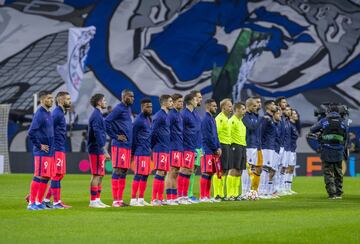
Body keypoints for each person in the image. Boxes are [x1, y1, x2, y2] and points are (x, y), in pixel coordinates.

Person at [310, 104, 348, 199]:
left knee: (328, 172)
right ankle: (339, 193)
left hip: (327, 149)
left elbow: (312, 129)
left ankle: (332, 194)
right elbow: (345, 137)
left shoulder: (324, 121)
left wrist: (321, 132)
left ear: (328, 111)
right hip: (339, 150)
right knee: (338, 172)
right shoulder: (343, 122)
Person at [105, 89, 134, 207]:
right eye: (131, 96)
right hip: (119, 146)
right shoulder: (119, 108)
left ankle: (120, 200)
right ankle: (115, 201)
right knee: (117, 170)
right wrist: (115, 136)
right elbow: (106, 121)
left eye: (133, 96)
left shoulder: (128, 109)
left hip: (127, 146)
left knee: (124, 171)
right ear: (124, 96)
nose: (133, 98)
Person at [43, 91, 72, 209]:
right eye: (68, 99)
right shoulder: (57, 114)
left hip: (60, 147)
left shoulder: (61, 113)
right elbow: (48, 128)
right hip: (56, 148)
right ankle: (56, 202)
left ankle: (45, 199)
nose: (70, 101)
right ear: (60, 100)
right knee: (57, 174)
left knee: (60, 174)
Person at [27, 91, 55, 210]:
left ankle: (39, 202)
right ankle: (31, 203)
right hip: (41, 152)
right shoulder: (39, 113)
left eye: (52, 98)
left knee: (46, 176)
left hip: (49, 151)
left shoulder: (48, 113)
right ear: (42, 100)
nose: (52, 100)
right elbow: (31, 132)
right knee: (38, 175)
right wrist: (39, 145)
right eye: (49, 98)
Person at [87, 93, 111, 208]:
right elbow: (97, 133)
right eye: (104, 100)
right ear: (99, 102)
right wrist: (104, 149)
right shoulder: (96, 115)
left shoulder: (99, 115)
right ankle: (93, 201)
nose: (105, 102)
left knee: (100, 175)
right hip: (95, 148)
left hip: (99, 148)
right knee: (96, 174)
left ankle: (97, 199)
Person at [129, 98, 153, 207]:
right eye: (148, 106)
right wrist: (132, 153)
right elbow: (133, 137)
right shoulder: (138, 120)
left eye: (151, 106)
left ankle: (141, 199)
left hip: (146, 151)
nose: (150, 108)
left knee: (145, 175)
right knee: (138, 174)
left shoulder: (148, 119)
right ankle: (133, 199)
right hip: (140, 152)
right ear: (142, 107)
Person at [151, 95, 173, 206]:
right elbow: (153, 132)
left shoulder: (166, 115)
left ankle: (160, 198)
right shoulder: (159, 116)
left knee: (163, 172)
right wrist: (154, 146)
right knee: (160, 172)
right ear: (164, 103)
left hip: (165, 147)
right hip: (159, 148)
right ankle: (154, 199)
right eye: (170, 101)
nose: (172, 103)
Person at [200, 99, 221, 202]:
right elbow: (207, 137)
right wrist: (215, 147)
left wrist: (219, 147)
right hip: (207, 149)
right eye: (214, 106)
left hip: (213, 150)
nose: (216, 108)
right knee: (206, 173)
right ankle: (203, 196)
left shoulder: (212, 119)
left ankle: (207, 196)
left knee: (211, 173)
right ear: (208, 107)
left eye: (216, 106)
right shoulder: (205, 120)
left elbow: (215, 135)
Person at [178, 93, 198, 204]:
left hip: (192, 146)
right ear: (190, 101)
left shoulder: (194, 114)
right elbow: (180, 131)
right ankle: (180, 196)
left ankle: (185, 196)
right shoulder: (184, 114)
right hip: (185, 146)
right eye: (195, 99)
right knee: (184, 169)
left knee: (189, 170)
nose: (197, 101)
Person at [165, 93, 184, 205]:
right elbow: (167, 130)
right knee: (171, 171)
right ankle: (169, 198)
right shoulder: (171, 115)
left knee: (176, 172)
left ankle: (174, 196)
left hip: (179, 146)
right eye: (179, 102)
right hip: (172, 147)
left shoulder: (178, 114)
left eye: (182, 102)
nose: (181, 104)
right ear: (174, 102)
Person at [242, 97, 262, 196]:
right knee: (247, 170)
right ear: (248, 106)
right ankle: (244, 191)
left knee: (252, 169)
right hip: (248, 145)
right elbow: (251, 127)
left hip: (254, 146)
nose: (256, 107)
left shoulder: (255, 116)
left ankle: (249, 191)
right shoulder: (245, 116)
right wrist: (260, 120)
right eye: (254, 105)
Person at [227, 102, 247, 201]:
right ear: (237, 110)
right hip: (235, 146)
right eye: (243, 109)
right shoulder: (232, 121)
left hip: (242, 146)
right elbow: (228, 134)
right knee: (233, 169)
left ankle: (236, 193)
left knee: (239, 171)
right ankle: (230, 194)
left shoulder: (241, 121)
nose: (245, 110)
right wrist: (230, 147)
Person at [214, 98, 232, 200]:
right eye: (229, 106)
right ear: (223, 107)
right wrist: (218, 147)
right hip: (222, 145)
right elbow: (216, 133)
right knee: (219, 170)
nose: (231, 108)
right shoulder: (220, 118)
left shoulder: (226, 118)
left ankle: (221, 193)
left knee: (224, 170)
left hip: (227, 145)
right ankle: (217, 194)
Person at [258, 100, 277, 199]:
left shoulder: (271, 118)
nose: (275, 106)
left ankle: (266, 191)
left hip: (270, 147)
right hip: (266, 147)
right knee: (265, 169)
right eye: (273, 104)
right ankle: (262, 191)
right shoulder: (265, 118)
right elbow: (261, 132)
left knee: (268, 169)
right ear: (268, 107)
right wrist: (261, 146)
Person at [187, 90, 202, 203]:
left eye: (200, 98)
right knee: (187, 170)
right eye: (197, 98)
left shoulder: (196, 113)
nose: (199, 100)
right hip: (190, 146)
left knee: (194, 170)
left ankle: (190, 193)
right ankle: (185, 194)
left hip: (198, 146)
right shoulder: (186, 113)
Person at [286, 109, 299, 194]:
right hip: (289, 149)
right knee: (287, 168)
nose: (296, 115)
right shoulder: (289, 125)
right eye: (294, 114)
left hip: (293, 149)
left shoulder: (294, 125)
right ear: (290, 116)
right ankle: (284, 187)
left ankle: (288, 188)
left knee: (291, 168)